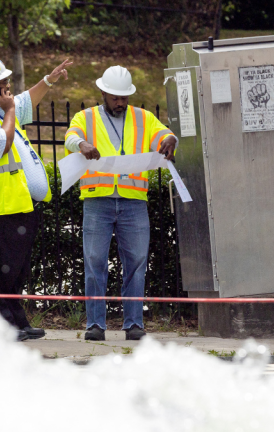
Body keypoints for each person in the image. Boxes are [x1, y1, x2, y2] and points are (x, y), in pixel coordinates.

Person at [0, 54, 72, 341]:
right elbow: (2, 144)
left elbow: (25, 101)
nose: (9, 89)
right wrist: (9, 110)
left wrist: (49, 80)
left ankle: (15, 320)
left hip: (14, 203)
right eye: (3, 84)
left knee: (15, 268)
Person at [64, 66, 177, 341]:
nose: (120, 102)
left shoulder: (143, 117)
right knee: (94, 262)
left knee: (137, 263)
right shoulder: (86, 117)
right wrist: (81, 145)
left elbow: (163, 134)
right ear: (103, 92)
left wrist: (170, 139)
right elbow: (70, 135)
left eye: (124, 97)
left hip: (133, 201)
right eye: (115, 97)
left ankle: (134, 324)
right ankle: (95, 325)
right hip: (97, 200)